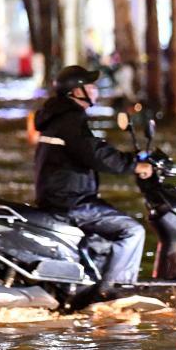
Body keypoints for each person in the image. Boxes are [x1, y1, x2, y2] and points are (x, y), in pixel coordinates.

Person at [33, 66, 153, 300]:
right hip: (71, 202)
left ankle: (90, 287)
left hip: (57, 196)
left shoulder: (56, 117)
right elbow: (94, 153)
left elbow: (93, 149)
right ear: (76, 92)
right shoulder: (70, 119)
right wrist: (133, 165)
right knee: (132, 231)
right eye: (90, 86)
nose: (95, 90)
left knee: (103, 234)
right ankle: (116, 291)